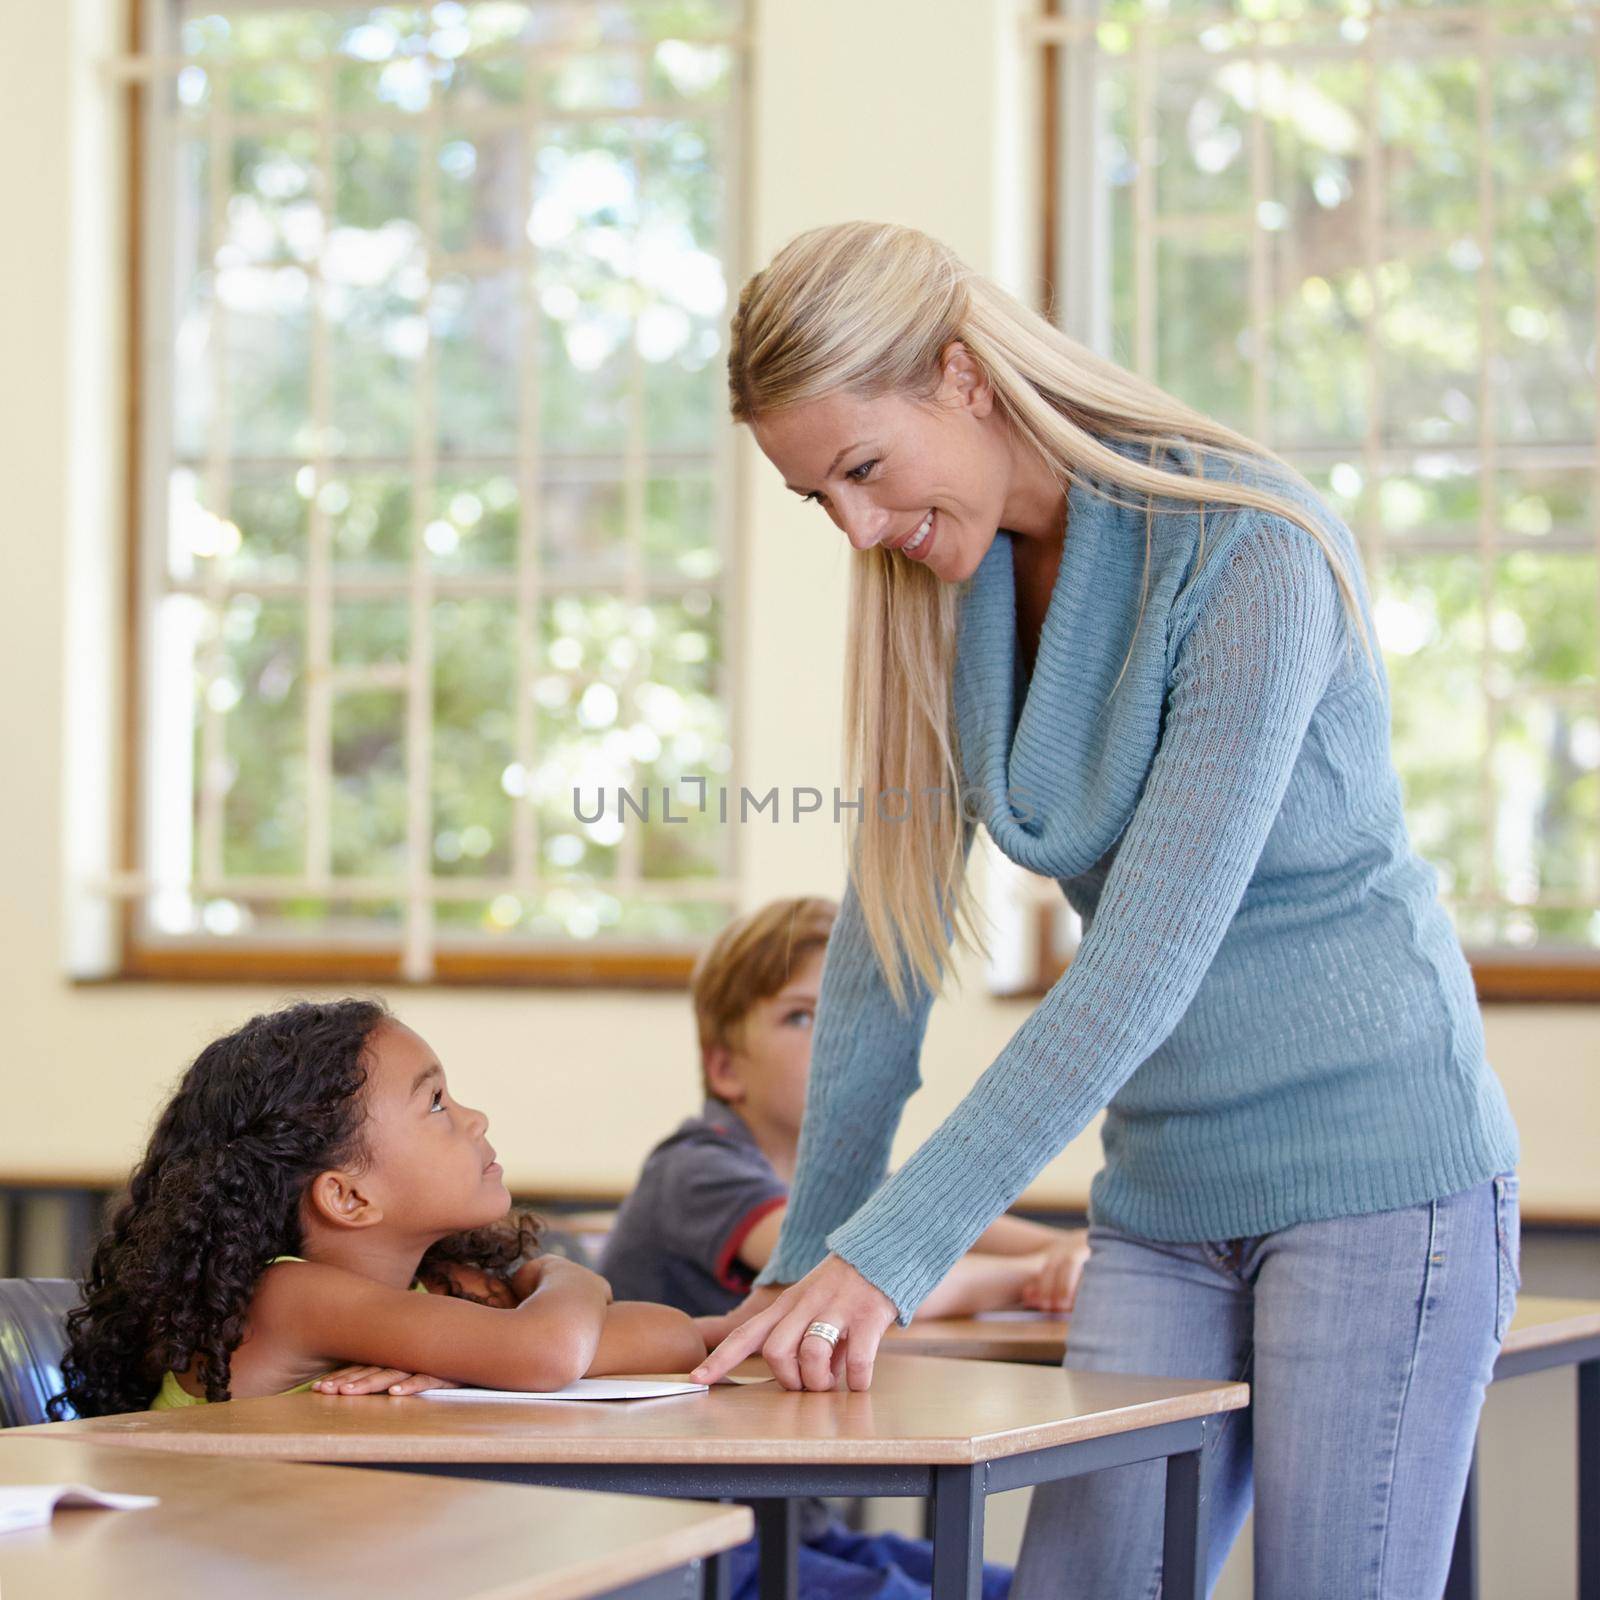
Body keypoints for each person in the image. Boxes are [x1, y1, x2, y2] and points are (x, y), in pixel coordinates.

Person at [692, 221, 1521, 1599]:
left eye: (862, 469)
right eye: (812, 498)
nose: (854, 527)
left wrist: (890, 1260)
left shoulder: (1249, 550)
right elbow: (884, 962)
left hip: (1382, 1178)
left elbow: (1143, 964)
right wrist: (809, 1262)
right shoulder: (937, 605)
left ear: (960, 376)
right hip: (1166, 1201)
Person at [51, 998, 704, 1417]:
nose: (476, 1119)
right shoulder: (288, 1297)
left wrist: (488, 1352)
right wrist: (571, 1275)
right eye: (437, 1105)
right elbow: (550, 1353)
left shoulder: (437, 1282)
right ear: (347, 1196)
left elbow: (669, 1337)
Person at [602, 893, 1088, 1322]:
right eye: (802, 1016)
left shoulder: (849, 1175)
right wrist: (1039, 1274)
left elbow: (1005, 1235)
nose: (839, 1040)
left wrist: (1073, 1250)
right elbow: (861, 1280)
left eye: (855, 1017)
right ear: (726, 1069)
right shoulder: (696, 1170)